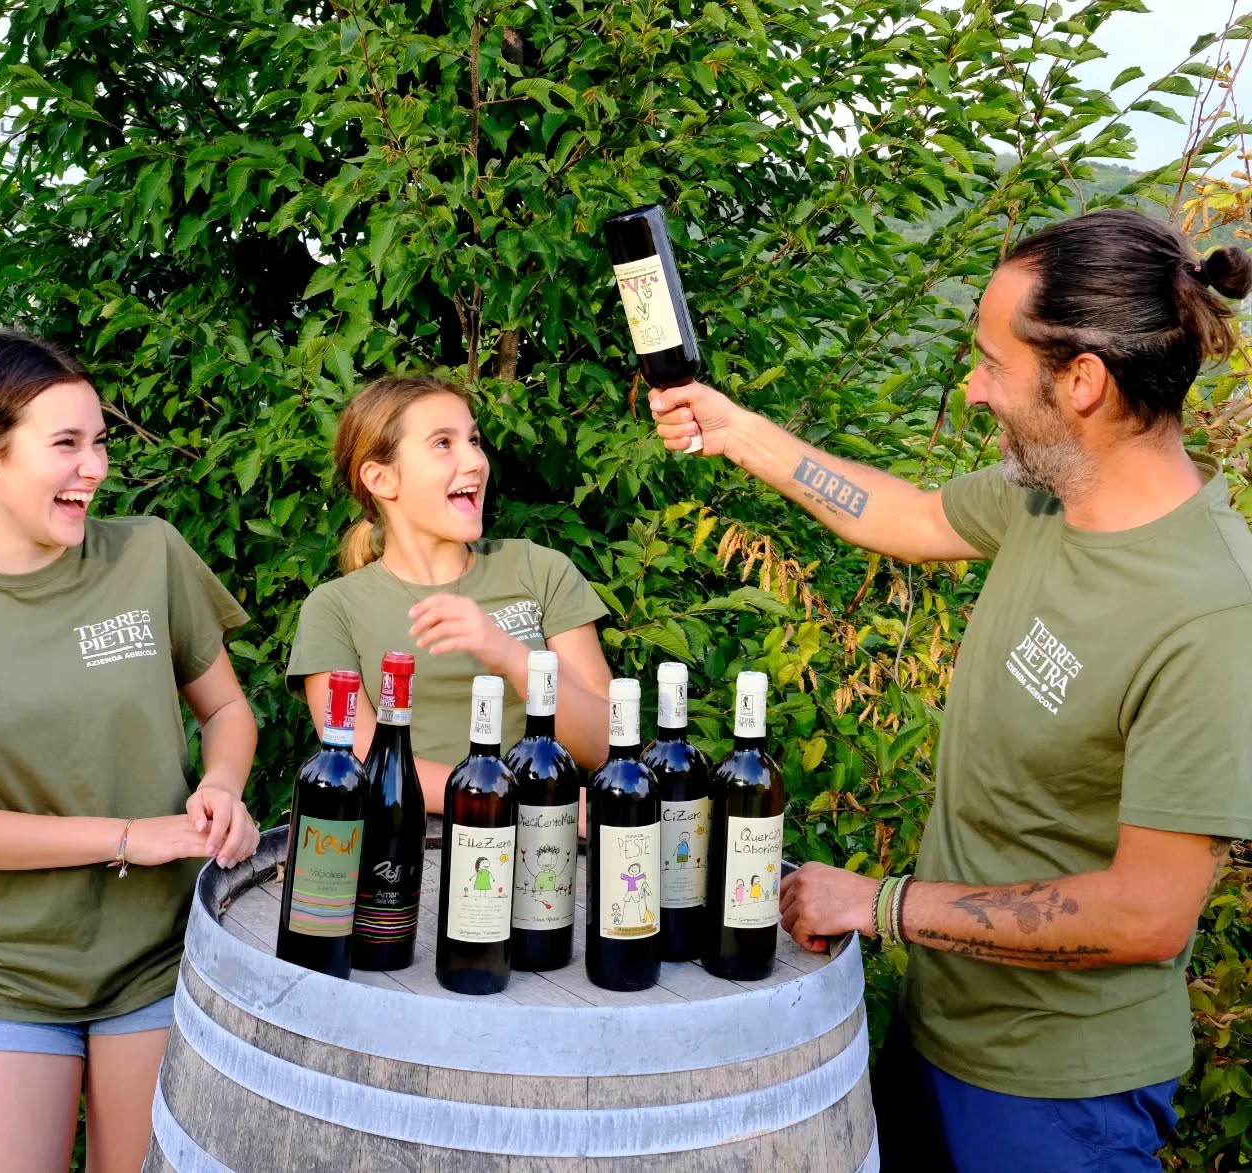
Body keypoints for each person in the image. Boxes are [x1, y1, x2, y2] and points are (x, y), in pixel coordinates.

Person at [650, 210, 1252, 1170]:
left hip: (1061, 1098)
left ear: (1082, 381)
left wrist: (880, 904)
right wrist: (738, 431)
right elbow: (908, 513)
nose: (973, 389)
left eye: (991, 363)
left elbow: (1148, 912)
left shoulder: (1210, 611)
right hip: (938, 1041)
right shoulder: (1048, 494)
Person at [0, 332, 261, 1173]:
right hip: (7, 972)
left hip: (159, 959)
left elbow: (227, 709)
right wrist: (128, 836)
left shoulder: (148, 552)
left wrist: (219, 786)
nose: (93, 468)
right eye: (65, 443)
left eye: (98, 441)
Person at [285, 374, 613, 812]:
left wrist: (509, 655)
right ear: (381, 478)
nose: (475, 461)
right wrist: (521, 804)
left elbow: (606, 745)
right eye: (443, 443)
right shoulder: (334, 608)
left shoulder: (538, 569)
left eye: (473, 440)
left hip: (549, 844)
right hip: (416, 842)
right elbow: (360, 762)